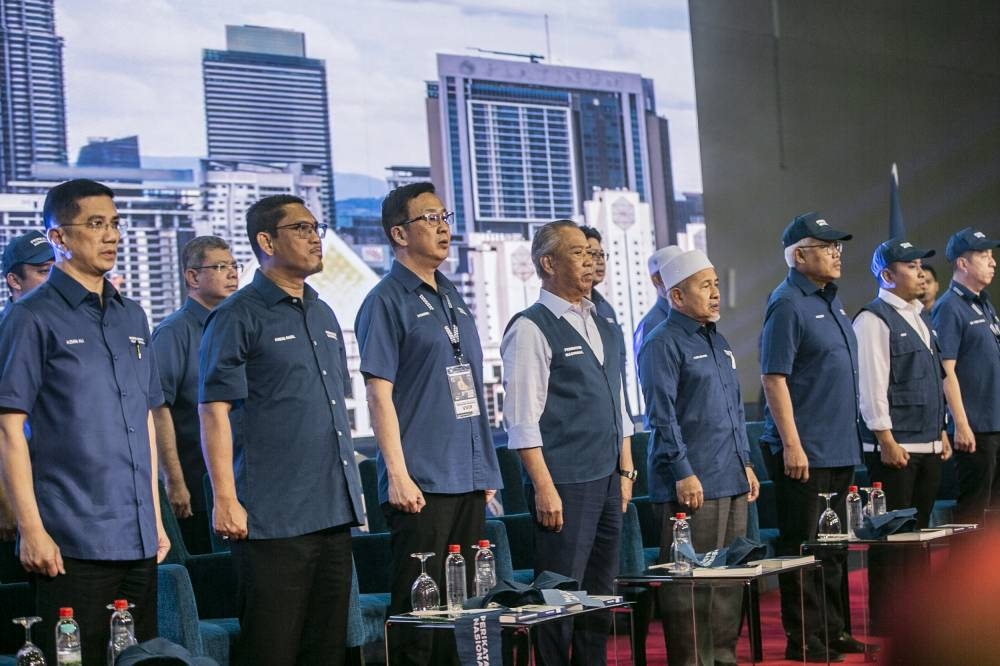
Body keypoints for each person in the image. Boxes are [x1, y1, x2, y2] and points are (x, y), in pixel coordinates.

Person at [0, 179, 170, 664]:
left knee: (140, 659)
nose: (110, 234)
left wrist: (155, 520)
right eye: (95, 224)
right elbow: (8, 429)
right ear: (58, 238)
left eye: (115, 223)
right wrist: (31, 530)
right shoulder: (31, 317)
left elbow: (143, 418)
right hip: (70, 540)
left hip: (137, 538)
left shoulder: (132, 316)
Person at [199, 195, 363, 666]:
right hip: (271, 519)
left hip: (331, 512)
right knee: (272, 650)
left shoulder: (324, 312)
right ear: (266, 241)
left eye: (317, 228)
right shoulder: (237, 315)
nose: (315, 238)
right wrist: (226, 499)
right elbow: (213, 410)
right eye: (301, 229)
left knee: (327, 649)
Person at [354, 182, 502, 665]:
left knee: (467, 611)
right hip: (420, 480)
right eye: (429, 219)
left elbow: (469, 391)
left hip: (466, 476)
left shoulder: (451, 295)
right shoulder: (385, 300)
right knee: (421, 613)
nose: (443, 228)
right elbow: (379, 393)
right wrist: (396, 473)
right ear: (399, 233)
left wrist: (485, 474)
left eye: (445, 217)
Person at [501, 219, 634, 665]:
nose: (590, 260)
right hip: (564, 482)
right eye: (577, 252)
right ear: (547, 263)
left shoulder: (603, 322)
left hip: (607, 477)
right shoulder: (530, 328)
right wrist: (543, 486)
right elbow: (521, 420)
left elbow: (619, 405)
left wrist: (626, 471)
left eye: (593, 253)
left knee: (600, 592)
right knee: (558, 597)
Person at [638, 249, 760, 666]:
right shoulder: (661, 343)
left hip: (730, 476)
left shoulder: (718, 340)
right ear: (676, 296)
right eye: (704, 286)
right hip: (691, 481)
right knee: (692, 581)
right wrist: (683, 472)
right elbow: (662, 416)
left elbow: (734, 410)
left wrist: (745, 461)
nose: (715, 293)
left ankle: (723, 657)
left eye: (716, 284)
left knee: (727, 578)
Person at [759, 211, 870, 662]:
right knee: (803, 548)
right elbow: (773, 377)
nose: (836, 252)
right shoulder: (787, 302)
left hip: (838, 446)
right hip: (803, 451)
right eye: (827, 247)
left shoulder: (830, 300)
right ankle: (804, 638)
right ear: (799, 255)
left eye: (837, 246)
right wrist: (791, 443)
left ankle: (835, 629)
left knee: (834, 548)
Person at [854, 238, 954, 634]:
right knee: (891, 540)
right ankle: (889, 619)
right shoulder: (874, 319)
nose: (919, 273)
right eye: (910, 266)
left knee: (919, 535)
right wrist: (885, 438)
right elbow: (872, 386)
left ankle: (918, 613)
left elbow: (932, 380)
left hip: (927, 441)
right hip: (896, 447)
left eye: (919, 265)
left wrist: (941, 430)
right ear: (887, 274)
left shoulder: (919, 315)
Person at [151, 236, 239, 554]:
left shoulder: (237, 325)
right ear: (192, 277)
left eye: (233, 266)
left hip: (243, 484)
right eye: (219, 266)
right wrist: (173, 482)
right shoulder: (173, 333)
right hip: (196, 491)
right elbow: (157, 410)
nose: (232, 274)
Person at [931, 227, 1000, 524]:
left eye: (992, 255)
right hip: (975, 429)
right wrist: (960, 423)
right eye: (984, 255)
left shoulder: (983, 302)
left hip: (995, 423)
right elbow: (946, 370)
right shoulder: (949, 307)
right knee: (974, 512)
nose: (993, 262)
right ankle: (965, 571)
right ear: (962, 263)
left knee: (994, 513)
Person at [0, 230, 55, 541]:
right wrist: (5, 502)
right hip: (22, 492)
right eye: (42, 271)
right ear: (14, 281)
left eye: (56, 269)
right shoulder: (7, 332)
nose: (53, 279)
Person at [632, 245, 683, 371]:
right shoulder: (650, 325)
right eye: (674, 270)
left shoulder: (692, 317)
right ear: (657, 280)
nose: (682, 276)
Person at [3, 230, 55, 305]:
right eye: (45, 270)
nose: (57, 277)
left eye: (58, 269)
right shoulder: (11, 316)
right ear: (14, 281)